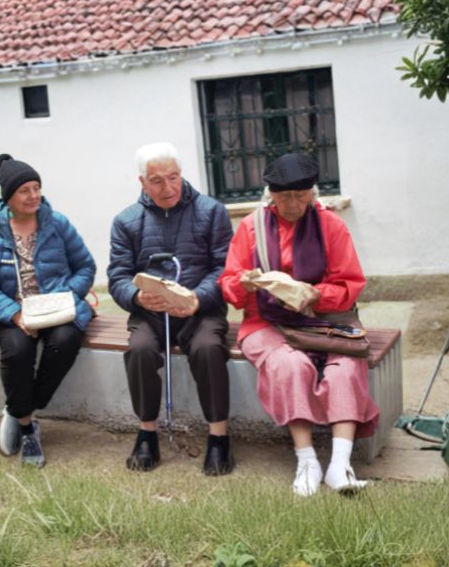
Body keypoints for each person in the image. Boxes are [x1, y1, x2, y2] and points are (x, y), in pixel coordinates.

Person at [218, 152, 379, 496]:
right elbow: (229, 285)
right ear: (271, 196)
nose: (293, 204)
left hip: (325, 319)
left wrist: (312, 294)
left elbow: (350, 284)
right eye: (284, 197)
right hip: (266, 321)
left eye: (301, 196)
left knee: (346, 366)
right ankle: (307, 460)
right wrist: (244, 284)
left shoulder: (330, 225)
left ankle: (340, 465)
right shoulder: (251, 227)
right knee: (288, 365)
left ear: (312, 194)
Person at [107, 142, 234, 475]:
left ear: (182, 174)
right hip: (151, 312)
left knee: (208, 348)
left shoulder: (211, 211)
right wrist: (137, 299)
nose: (168, 187)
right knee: (139, 350)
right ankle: (147, 432)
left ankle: (218, 436)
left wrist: (197, 299)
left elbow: (225, 268)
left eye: (173, 177)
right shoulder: (126, 221)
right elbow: (117, 275)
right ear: (142, 183)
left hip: (200, 309)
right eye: (157, 181)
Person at [0, 154, 96, 467]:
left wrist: (66, 297)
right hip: (12, 311)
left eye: (36, 187)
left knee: (66, 341)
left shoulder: (58, 224)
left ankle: (20, 408)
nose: (33, 195)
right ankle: (28, 430)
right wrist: (16, 315)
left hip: (56, 308)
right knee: (17, 350)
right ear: (9, 197)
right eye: (24, 190)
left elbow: (86, 266)